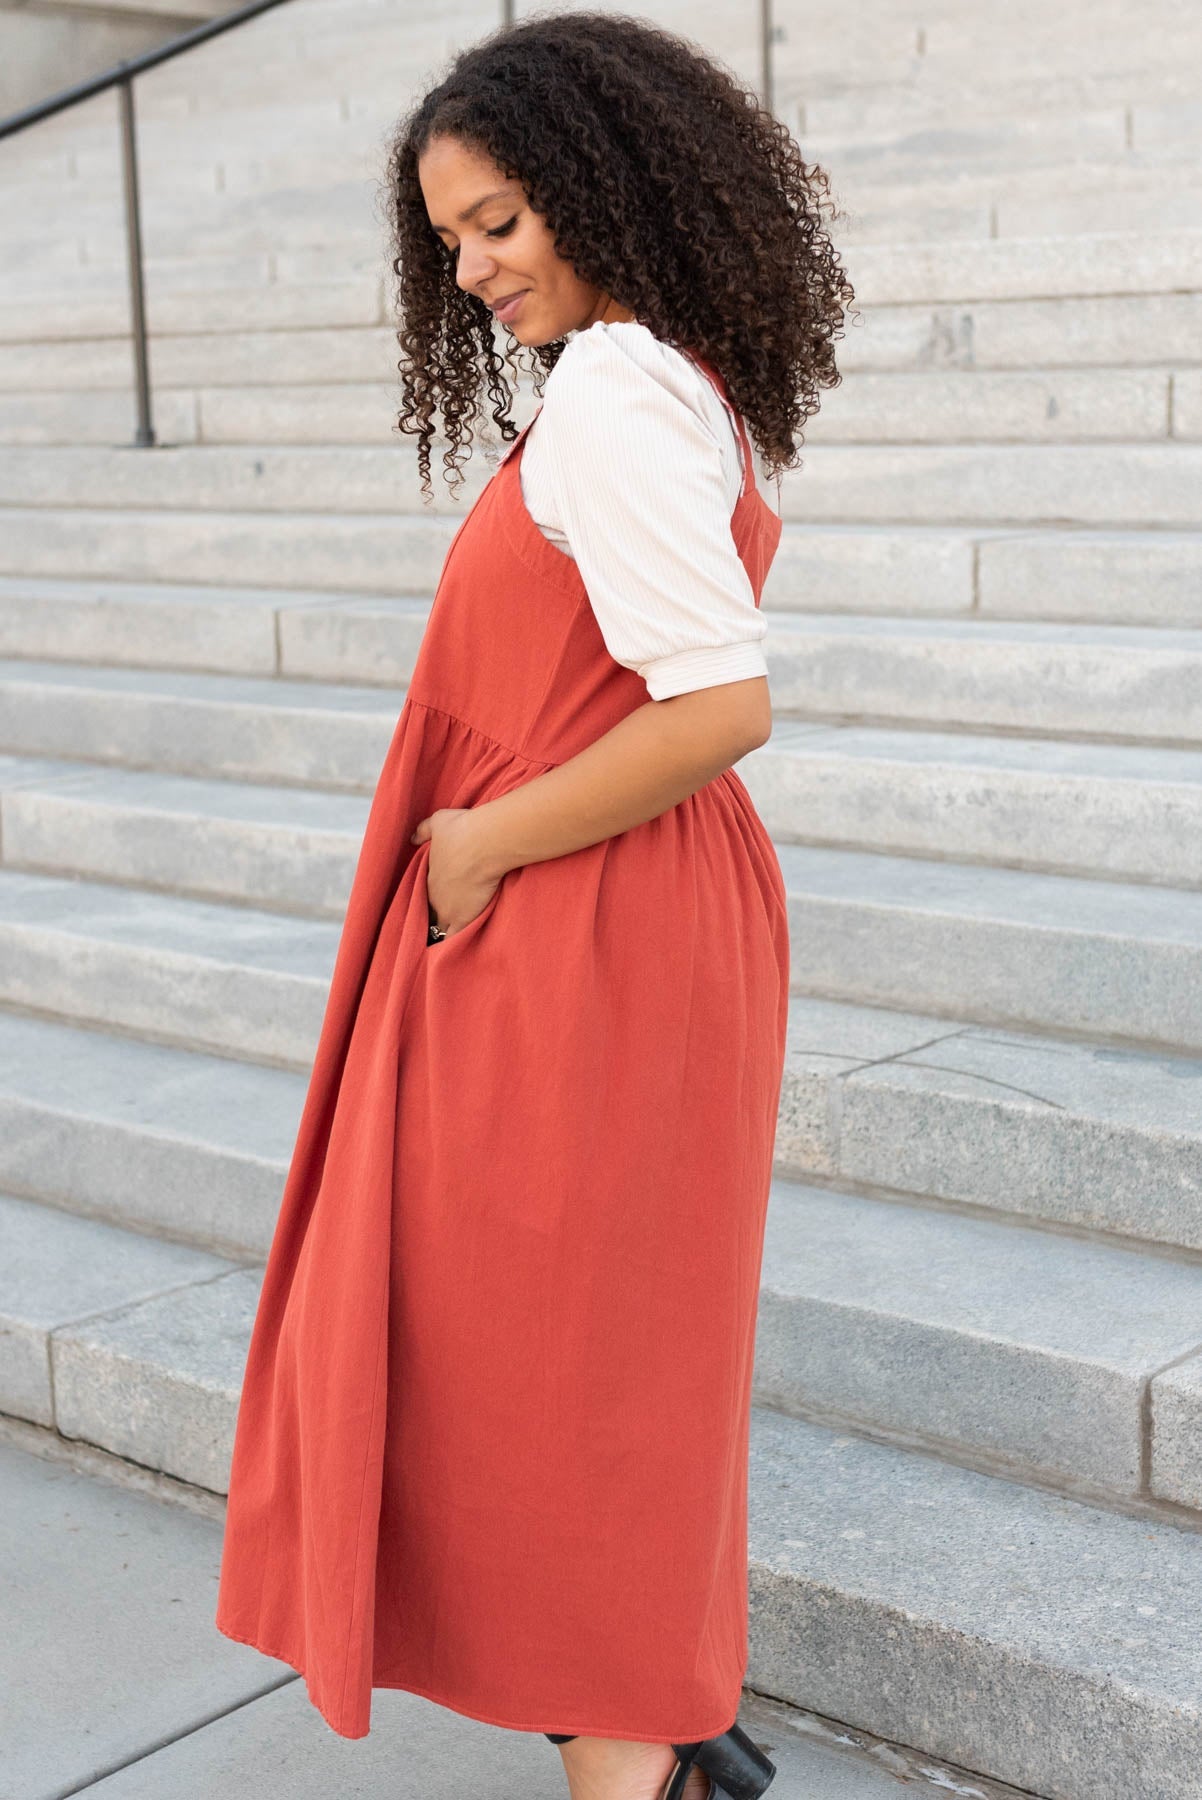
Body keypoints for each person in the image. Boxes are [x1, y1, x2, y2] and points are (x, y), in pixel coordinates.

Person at [214, 12, 853, 1800]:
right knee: (557, 1353)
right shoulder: (652, 376)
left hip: (582, 920)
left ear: (602, 184)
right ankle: (647, 1712)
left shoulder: (620, 391)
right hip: (597, 916)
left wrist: (482, 847)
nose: (477, 266)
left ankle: (635, 1746)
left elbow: (720, 708)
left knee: (556, 1364)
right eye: (451, 241)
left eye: (501, 221)